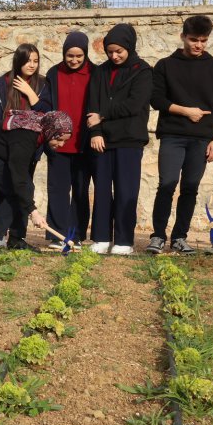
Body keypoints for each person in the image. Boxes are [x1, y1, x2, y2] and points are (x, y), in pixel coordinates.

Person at [146, 15, 213, 255]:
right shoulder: (165, 65)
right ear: (183, 36)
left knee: (190, 188)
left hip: (203, 138)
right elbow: (157, 99)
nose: (199, 45)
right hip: (172, 135)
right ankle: (158, 236)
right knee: (167, 185)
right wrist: (185, 111)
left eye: (203, 40)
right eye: (194, 39)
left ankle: (180, 237)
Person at [86, 23, 152, 255]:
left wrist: (102, 116)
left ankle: (124, 240)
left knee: (126, 191)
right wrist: (95, 132)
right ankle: (102, 237)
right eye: (110, 51)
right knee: (102, 190)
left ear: (129, 47)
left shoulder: (142, 71)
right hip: (102, 141)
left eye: (119, 51)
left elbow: (135, 104)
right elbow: (92, 104)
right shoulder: (100, 71)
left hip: (129, 140)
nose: (114, 56)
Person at [0, 111, 73, 253]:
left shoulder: (43, 130)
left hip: (7, 153)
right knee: (16, 191)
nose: (62, 144)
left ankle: (16, 239)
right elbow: (19, 178)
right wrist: (34, 212)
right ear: (51, 131)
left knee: (26, 189)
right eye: (59, 139)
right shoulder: (25, 135)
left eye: (65, 140)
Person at [0, 44, 49, 248]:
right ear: (18, 60)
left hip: (28, 147)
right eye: (28, 60)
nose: (32, 65)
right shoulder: (1, 84)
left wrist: (31, 94)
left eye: (36, 61)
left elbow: (47, 113)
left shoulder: (44, 85)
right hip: (2, 146)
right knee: (9, 190)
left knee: (22, 188)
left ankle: (17, 238)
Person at [44, 33, 94, 249]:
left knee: (81, 191)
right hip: (59, 144)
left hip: (84, 144)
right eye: (69, 55)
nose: (74, 60)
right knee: (57, 189)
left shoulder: (95, 73)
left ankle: (76, 235)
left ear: (86, 53)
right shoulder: (53, 73)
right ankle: (57, 235)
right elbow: (47, 106)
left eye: (79, 56)